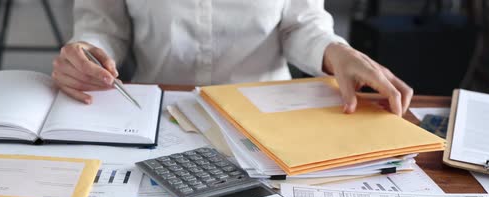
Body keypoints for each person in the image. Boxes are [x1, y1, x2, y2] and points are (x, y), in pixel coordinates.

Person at [52, 0, 413, 116]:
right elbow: (105, 29)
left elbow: (300, 25)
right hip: (161, 113)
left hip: (270, 115)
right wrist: (87, 52)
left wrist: (338, 52)